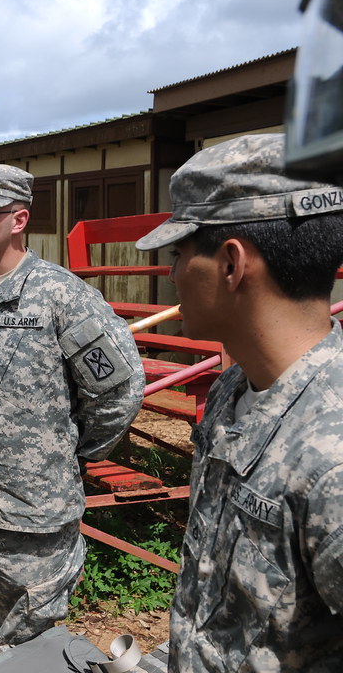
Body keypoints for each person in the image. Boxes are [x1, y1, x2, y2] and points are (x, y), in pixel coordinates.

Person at [0, 164, 145, 670]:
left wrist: (72, 456)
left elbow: (118, 391)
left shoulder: (61, 296)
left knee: (30, 656)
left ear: (19, 219)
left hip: (31, 518)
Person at [135, 133, 343, 672]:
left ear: (231, 264)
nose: (173, 274)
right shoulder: (235, 389)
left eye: (179, 253)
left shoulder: (332, 460)